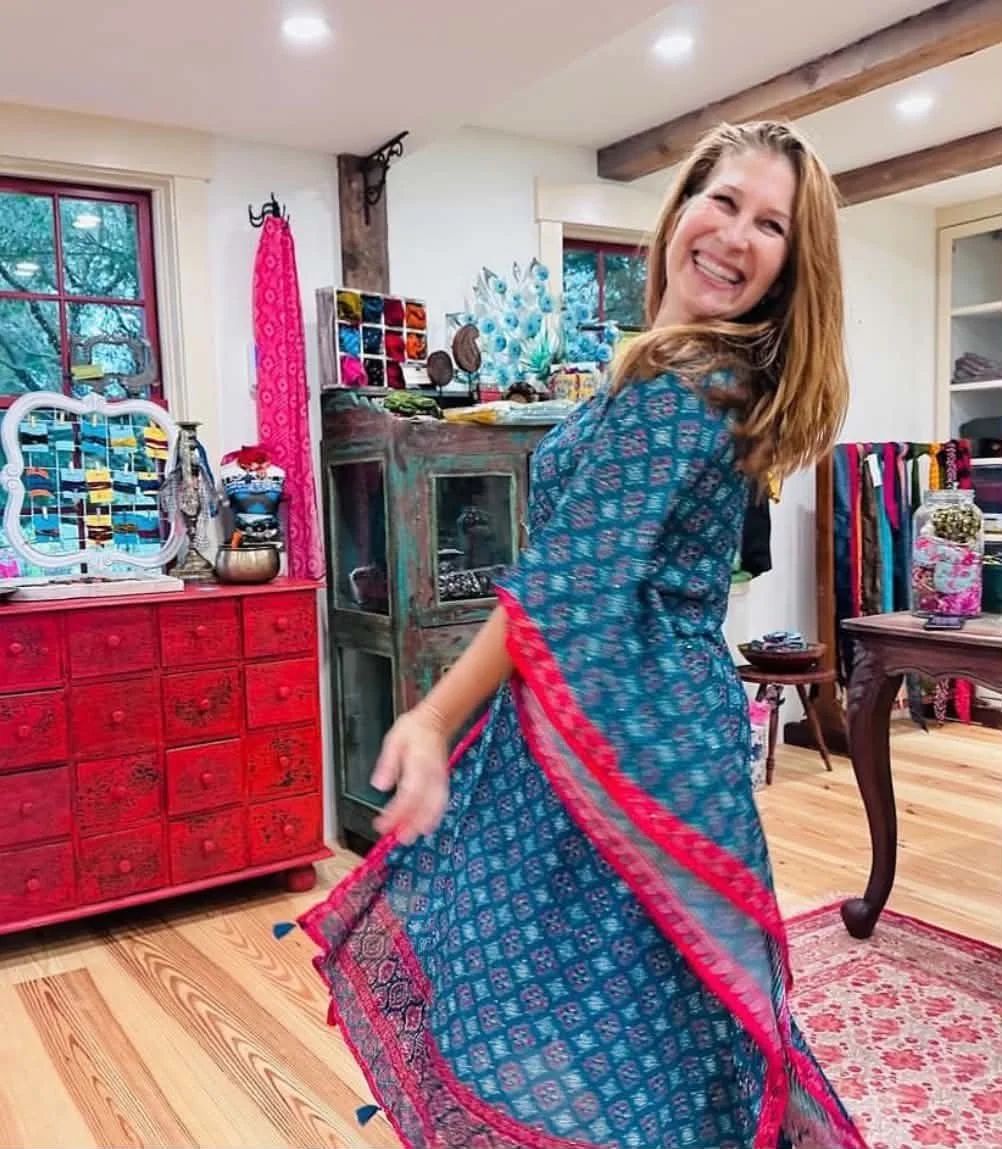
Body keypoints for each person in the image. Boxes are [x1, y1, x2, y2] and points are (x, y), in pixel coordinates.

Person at [300, 120, 868, 1149]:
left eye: (772, 225)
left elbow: (562, 585)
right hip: (627, 715)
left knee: (619, 1004)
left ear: (793, 266)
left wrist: (430, 714)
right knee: (646, 1004)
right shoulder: (670, 367)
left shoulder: (689, 385)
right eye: (724, 200)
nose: (736, 235)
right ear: (683, 206)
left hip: (628, 733)